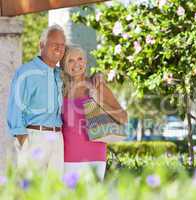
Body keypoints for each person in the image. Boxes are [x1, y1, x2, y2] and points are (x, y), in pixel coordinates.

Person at [6, 24, 101, 175]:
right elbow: (14, 111)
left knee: (53, 190)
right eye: (54, 44)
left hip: (58, 139)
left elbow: (78, 76)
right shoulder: (27, 72)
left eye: (62, 45)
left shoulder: (59, 74)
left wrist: (98, 76)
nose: (59, 48)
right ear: (41, 45)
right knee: (31, 190)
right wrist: (24, 141)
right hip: (34, 137)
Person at [60, 45, 127, 180]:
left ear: (85, 62)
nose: (77, 64)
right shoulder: (61, 89)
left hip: (94, 156)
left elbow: (123, 117)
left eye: (80, 59)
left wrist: (98, 101)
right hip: (67, 157)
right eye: (70, 60)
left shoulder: (96, 85)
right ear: (63, 64)